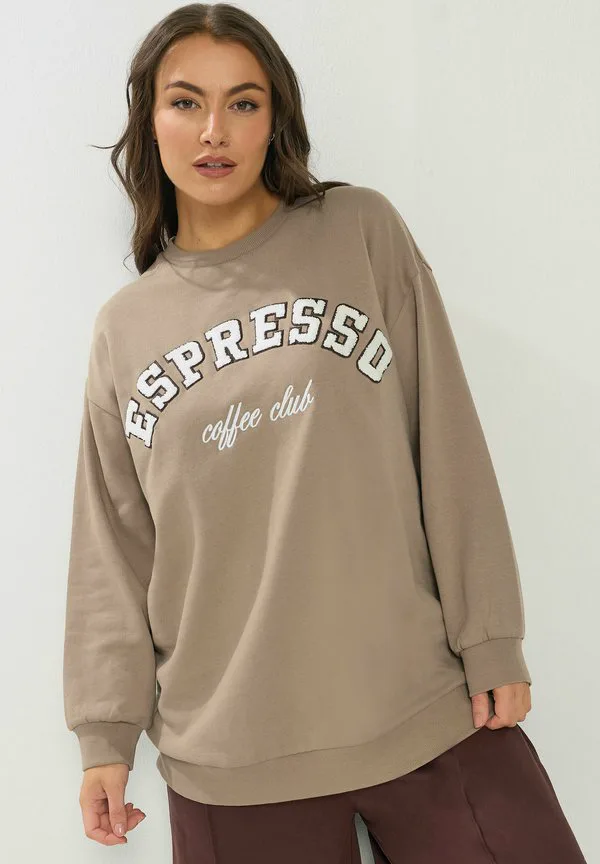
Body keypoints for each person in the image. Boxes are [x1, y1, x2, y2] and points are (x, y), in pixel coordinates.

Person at [62, 3, 588, 862]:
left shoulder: (358, 233)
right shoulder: (126, 328)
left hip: (424, 705)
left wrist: (491, 635)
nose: (214, 130)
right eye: (186, 102)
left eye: (243, 102)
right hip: (231, 752)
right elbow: (113, 550)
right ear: (148, 121)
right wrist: (105, 734)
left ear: (275, 119)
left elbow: (447, 440)